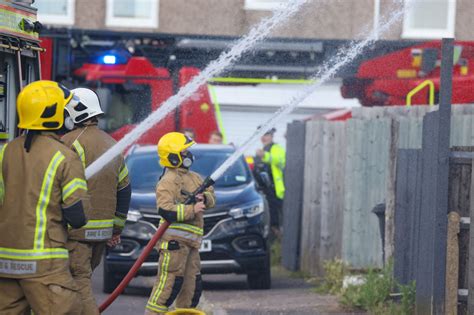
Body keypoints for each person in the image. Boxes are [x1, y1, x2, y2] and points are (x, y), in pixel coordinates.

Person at [0, 80, 89, 314]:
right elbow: (78, 216)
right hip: (44, 263)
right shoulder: (65, 156)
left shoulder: (7, 151)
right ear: (53, 114)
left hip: (5, 261)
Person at [62, 88, 132, 315]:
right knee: (80, 283)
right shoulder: (112, 144)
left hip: (76, 231)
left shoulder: (69, 142)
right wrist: (116, 228)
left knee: (78, 283)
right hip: (101, 233)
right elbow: (124, 188)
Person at [145, 132, 215, 314]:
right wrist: (192, 210)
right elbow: (165, 209)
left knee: (192, 288)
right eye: (184, 152)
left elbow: (212, 196)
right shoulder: (167, 181)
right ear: (173, 157)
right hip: (174, 246)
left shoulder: (195, 178)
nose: (189, 156)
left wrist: (205, 198)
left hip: (192, 245)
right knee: (168, 286)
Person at [256, 128, 286, 236]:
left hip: (275, 188)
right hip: (263, 189)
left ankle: (277, 235)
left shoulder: (276, 148)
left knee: (275, 214)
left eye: (266, 134)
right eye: (262, 134)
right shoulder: (261, 150)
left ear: (272, 136)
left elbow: (281, 161)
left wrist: (265, 156)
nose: (264, 137)